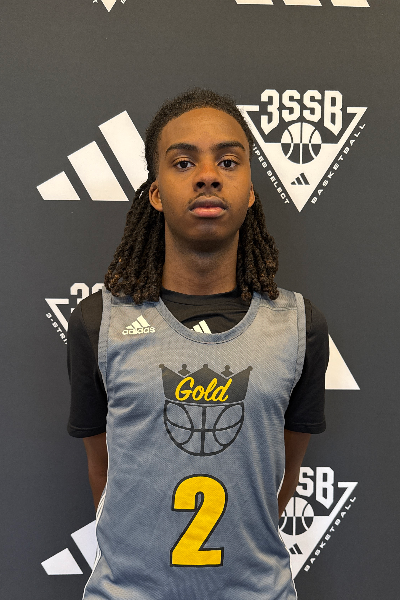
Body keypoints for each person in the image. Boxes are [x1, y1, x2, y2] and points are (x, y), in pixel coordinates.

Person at [67, 88, 328, 600]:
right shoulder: (100, 322)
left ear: (250, 191)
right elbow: (104, 471)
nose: (208, 176)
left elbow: (283, 474)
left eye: (228, 161)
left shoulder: (300, 326)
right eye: (183, 162)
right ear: (156, 193)